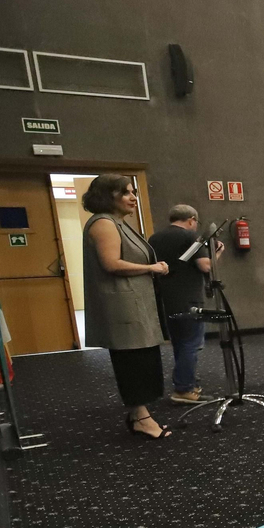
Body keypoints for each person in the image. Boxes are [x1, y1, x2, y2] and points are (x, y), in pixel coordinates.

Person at [83, 175, 172, 438]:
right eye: (126, 193)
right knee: (134, 364)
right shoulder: (103, 224)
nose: (134, 198)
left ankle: (138, 415)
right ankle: (142, 419)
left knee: (142, 361)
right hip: (123, 308)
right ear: (108, 195)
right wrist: (150, 268)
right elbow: (111, 263)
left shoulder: (118, 223)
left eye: (133, 192)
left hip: (135, 305)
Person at [149, 204, 218, 402]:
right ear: (191, 220)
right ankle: (184, 388)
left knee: (180, 343)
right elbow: (205, 266)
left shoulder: (155, 238)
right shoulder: (190, 237)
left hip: (165, 298)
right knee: (192, 343)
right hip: (189, 298)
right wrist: (217, 253)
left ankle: (186, 383)